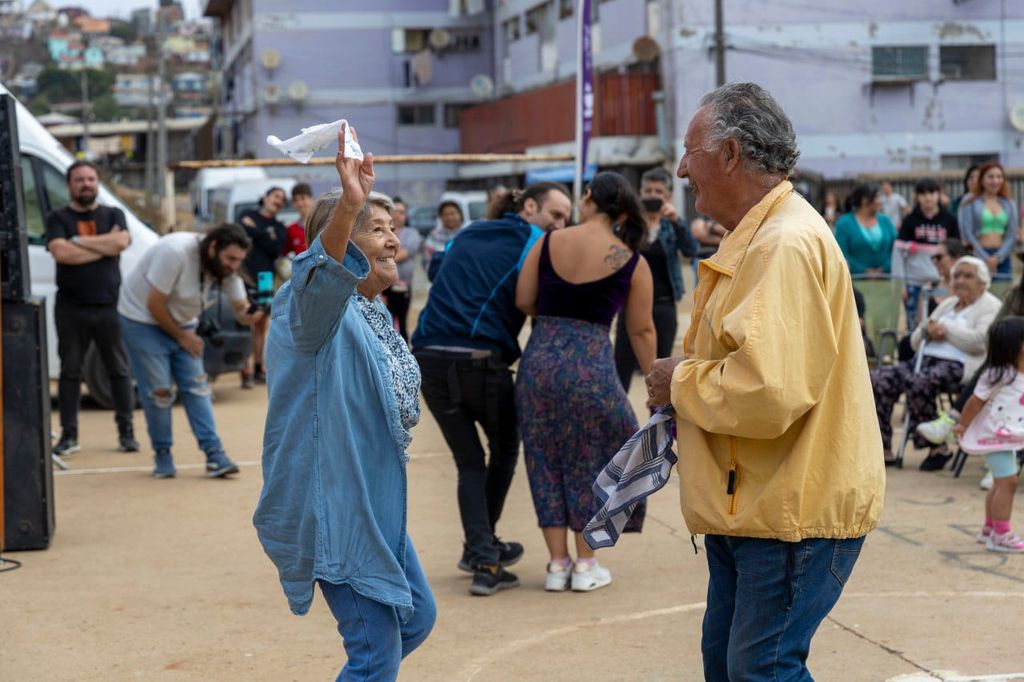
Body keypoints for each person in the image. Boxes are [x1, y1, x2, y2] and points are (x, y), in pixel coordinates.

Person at [644, 82, 884, 680]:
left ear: (728, 154)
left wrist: (679, 381)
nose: (680, 169)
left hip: (788, 514)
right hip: (757, 506)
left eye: (690, 151)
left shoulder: (784, 242)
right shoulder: (763, 235)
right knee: (733, 667)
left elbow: (766, 392)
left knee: (761, 669)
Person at [254, 126, 435, 679]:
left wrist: (363, 212)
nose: (393, 241)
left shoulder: (371, 312)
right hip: (334, 506)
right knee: (375, 653)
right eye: (375, 229)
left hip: (375, 504)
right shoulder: (308, 311)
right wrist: (349, 202)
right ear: (336, 244)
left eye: (392, 228)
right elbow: (319, 275)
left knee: (417, 618)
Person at [412, 181, 572, 597]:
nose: (561, 224)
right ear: (530, 207)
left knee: (470, 462)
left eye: (566, 219)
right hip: (478, 359)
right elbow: (545, 305)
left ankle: (481, 548)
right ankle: (482, 556)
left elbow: (437, 273)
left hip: (428, 355)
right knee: (502, 451)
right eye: (556, 214)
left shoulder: (469, 231)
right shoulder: (539, 244)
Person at [515, 171, 656, 593]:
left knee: (544, 459)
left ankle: (557, 565)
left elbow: (523, 301)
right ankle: (585, 563)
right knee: (592, 459)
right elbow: (641, 330)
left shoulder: (548, 241)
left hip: (539, 361)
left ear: (590, 198)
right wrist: (656, 384)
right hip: (592, 365)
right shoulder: (631, 258)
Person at [117, 223, 262, 478]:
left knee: (198, 388)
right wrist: (183, 337)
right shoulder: (175, 252)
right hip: (141, 319)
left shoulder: (225, 267)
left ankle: (214, 454)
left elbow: (240, 308)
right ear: (214, 247)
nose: (233, 266)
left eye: (239, 260)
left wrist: (251, 315)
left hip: (182, 321)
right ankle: (163, 454)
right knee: (159, 392)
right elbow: (154, 304)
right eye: (230, 258)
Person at [45, 160, 138, 456]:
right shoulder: (57, 217)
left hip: (108, 306)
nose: (86, 184)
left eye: (90, 179)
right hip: (71, 308)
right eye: (79, 180)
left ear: (97, 182)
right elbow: (61, 252)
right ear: (69, 185)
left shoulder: (114, 213)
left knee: (119, 370)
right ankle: (69, 436)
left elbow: (121, 242)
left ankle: (127, 434)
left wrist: (79, 242)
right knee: (70, 372)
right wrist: (102, 245)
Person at [871, 256, 1000, 468]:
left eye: (968, 276)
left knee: (920, 381)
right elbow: (914, 341)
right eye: (957, 275)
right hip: (923, 360)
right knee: (877, 379)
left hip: (958, 365)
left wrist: (946, 330)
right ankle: (884, 446)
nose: (959, 280)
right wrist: (927, 331)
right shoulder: (948, 305)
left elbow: (979, 342)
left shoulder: (991, 306)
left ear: (983, 282)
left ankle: (936, 447)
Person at [614, 166, 698, 391]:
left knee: (659, 374)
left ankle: (658, 420)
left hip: (663, 306)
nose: (652, 196)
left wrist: (677, 221)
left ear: (668, 197)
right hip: (631, 306)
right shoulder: (630, 225)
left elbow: (691, 250)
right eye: (647, 190)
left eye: (658, 192)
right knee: (621, 371)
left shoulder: (671, 225)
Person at [954, 317, 1024, 552]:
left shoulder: (1020, 371)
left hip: (1007, 434)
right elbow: (976, 401)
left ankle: (989, 528)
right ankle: (1001, 534)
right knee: (1009, 482)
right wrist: (963, 425)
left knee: (1000, 482)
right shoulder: (1001, 373)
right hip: (994, 435)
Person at [239, 186, 288, 388]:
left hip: (266, 278)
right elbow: (241, 231)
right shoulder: (246, 214)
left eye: (283, 199)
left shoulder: (279, 227)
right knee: (243, 320)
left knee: (260, 323)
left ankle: (258, 367)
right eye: (276, 195)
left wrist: (256, 232)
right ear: (265, 197)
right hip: (242, 275)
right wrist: (265, 237)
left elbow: (275, 248)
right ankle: (244, 368)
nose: (279, 200)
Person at [897, 178, 960, 328]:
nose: (928, 197)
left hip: (944, 283)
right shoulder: (909, 221)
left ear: (939, 194)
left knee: (945, 324)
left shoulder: (950, 219)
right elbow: (899, 253)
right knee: (915, 326)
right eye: (923, 193)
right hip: (915, 282)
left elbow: (957, 253)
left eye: (932, 192)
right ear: (917, 197)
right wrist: (902, 285)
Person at [958, 162, 1019, 281]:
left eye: (999, 177)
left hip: (1002, 256)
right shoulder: (970, 201)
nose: (995, 181)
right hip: (977, 255)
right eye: (991, 177)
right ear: (982, 179)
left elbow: (1012, 234)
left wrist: (997, 258)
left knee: (1002, 294)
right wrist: (986, 258)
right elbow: (967, 233)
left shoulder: (1009, 203)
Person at [835, 183, 898, 277]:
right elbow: (841, 254)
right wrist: (865, 272)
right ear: (864, 200)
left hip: (886, 279)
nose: (880, 201)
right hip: (856, 281)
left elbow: (897, 249)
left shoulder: (886, 221)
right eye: (877, 197)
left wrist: (884, 269)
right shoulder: (844, 224)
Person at [382, 197, 422, 342]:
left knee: (403, 324)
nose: (397, 215)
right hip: (383, 288)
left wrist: (383, 257)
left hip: (403, 288)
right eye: (394, 211)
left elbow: (406, 252)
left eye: (402, 212)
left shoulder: (412, 233)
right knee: (385, 322)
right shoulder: (381, 232)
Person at [422, 200, 464, 273]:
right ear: (441, 217)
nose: (450, 217)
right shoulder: (434, 236)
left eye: (453, 213)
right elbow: (427, 261)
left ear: (460, 215)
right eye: (446, 214)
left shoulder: (467, 234)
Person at [284, 182, 313, 256]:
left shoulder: (323, 224)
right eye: (296, 200)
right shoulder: (291, 229)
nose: (299, 203)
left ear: (311, 199)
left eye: (303, 198)